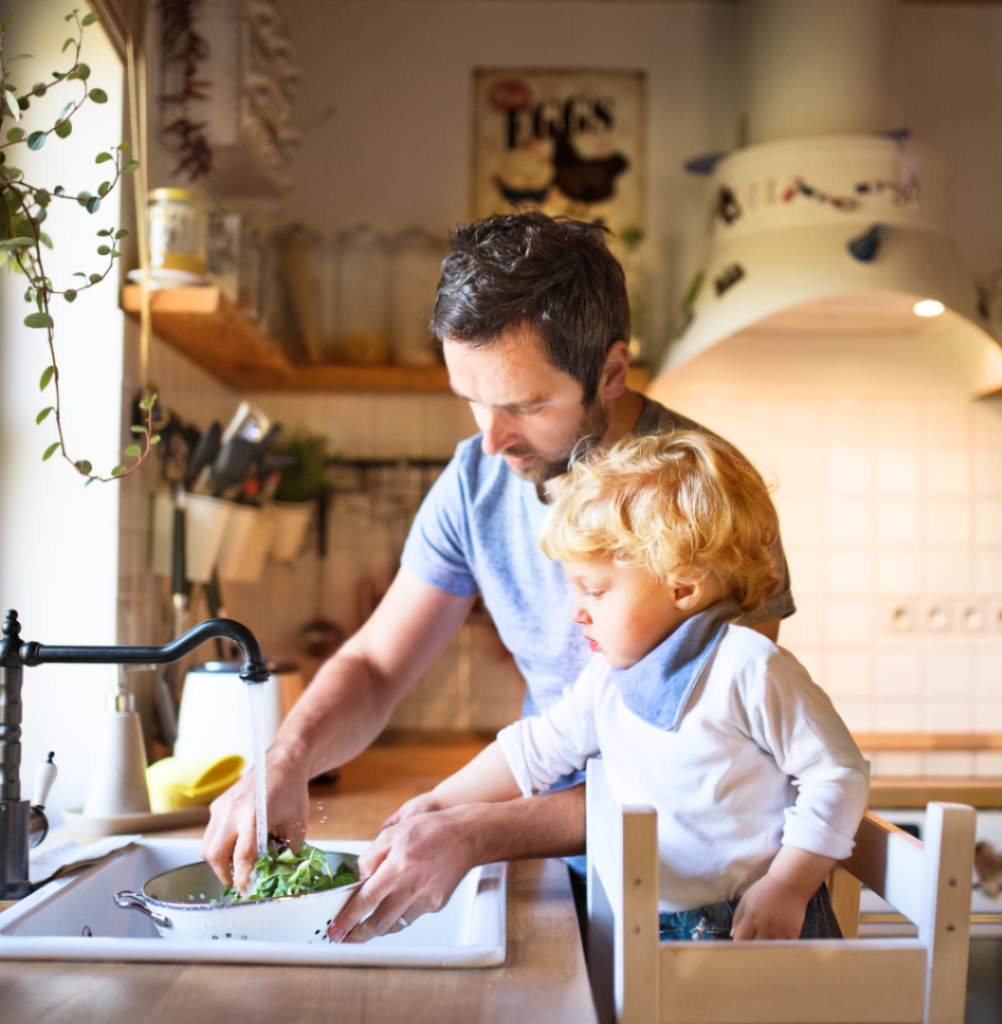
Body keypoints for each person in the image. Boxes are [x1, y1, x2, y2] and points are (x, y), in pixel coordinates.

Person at [201, 212, 797, 942]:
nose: (492, 437)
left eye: (525, 405)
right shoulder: (476, 479)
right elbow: (375, 665)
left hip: (699, 890)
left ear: (610, 373)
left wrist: (482, 831)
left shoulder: (709, 498)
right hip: (558, 861)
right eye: (472, 398)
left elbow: (705, 766)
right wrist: (284, 762)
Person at [380, 431, 869, 941]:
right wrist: (438, 803)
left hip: (755, 920)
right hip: (646, 922)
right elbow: (532, 750)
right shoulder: (610, 678)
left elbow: (838, 777)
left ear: (683, 587)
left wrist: (788, 888)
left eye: (594, 590)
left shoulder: (750, 668)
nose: (577, 611)